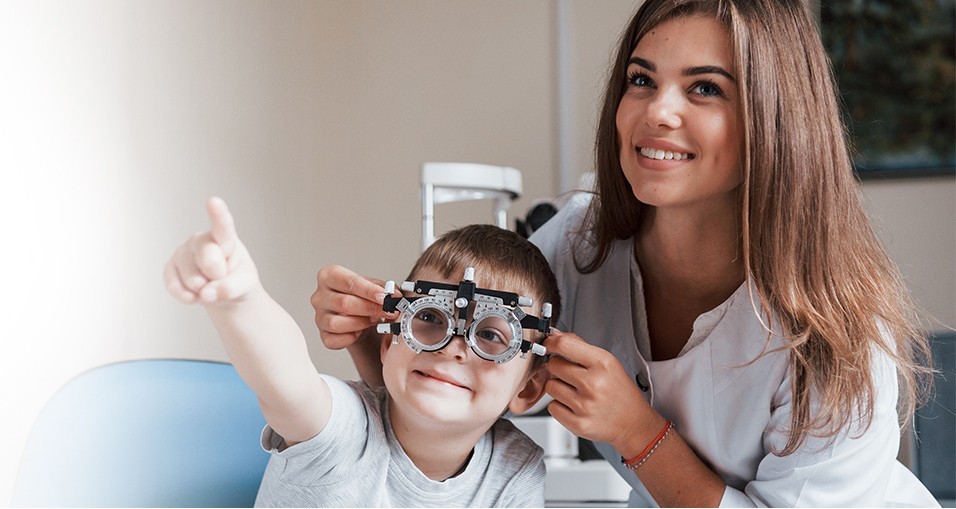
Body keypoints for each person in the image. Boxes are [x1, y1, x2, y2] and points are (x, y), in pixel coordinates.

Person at [311, 0, 939, 506]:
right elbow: (458, 394)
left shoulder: (839, 335)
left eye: (705, 89)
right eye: (642, 80)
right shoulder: (577, 247)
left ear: (773, 121)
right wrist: (375, 339)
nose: (656, 112)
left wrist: (638, 432)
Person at [164, 197, 561, 507]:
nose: (454, 348)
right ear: (389, 341)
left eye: (491, 336)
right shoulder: (347, 430)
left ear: (527, 390)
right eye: (430, 318)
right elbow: (287, 382)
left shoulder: (515, 469)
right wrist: (240, 299)